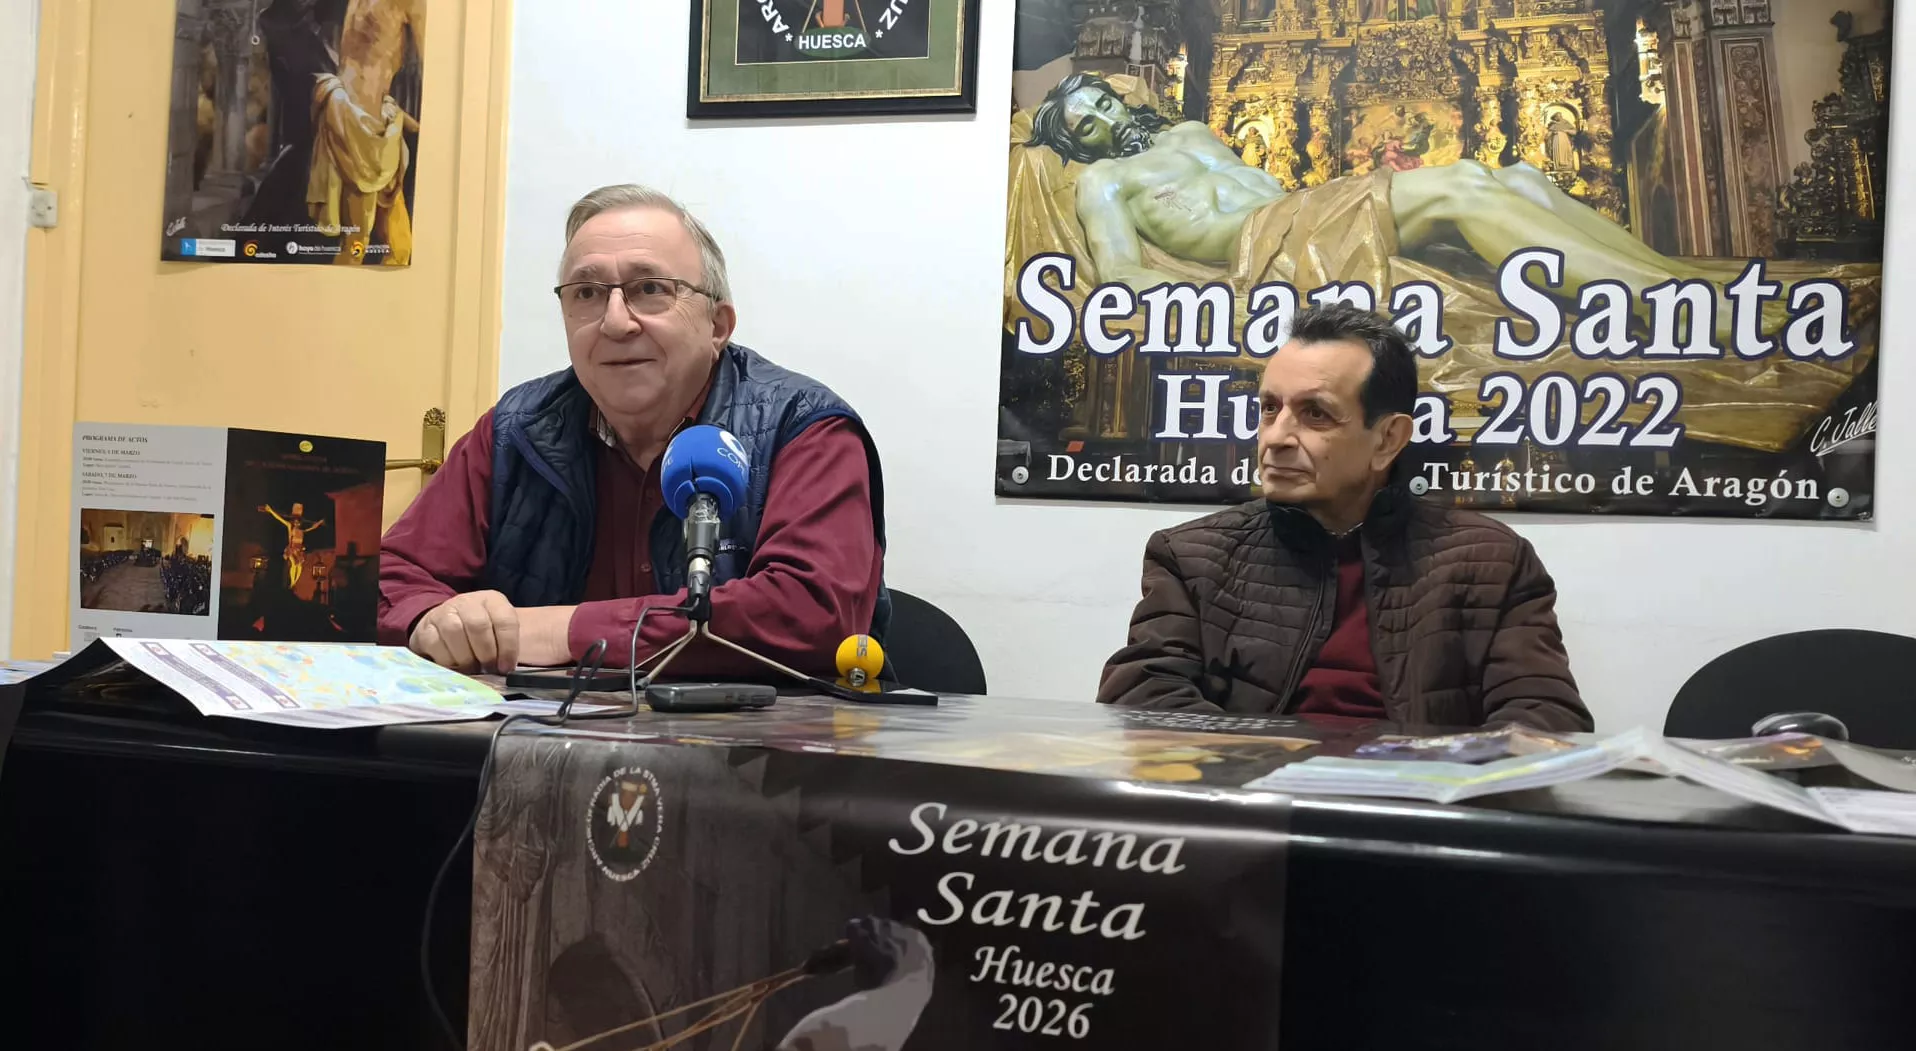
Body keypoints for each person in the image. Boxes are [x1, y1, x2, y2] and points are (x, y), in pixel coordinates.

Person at [380, 185, 887, 677]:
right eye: (587, 293)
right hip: (541, 744)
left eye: (650, 290)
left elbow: (812, 613)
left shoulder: (805, 429)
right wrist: (430, 619)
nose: (615, 322)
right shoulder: (517, 431)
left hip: (756, 750)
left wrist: (566, 630)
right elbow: (385, 577)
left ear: (718, 325)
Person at [1096, 303, 1592, 731]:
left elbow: (1546, 716)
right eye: (1270, 409)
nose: (1276, 438)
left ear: (1388, 440)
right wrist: (1269, 768)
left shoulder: (1492, 564)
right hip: (1252, 815)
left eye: (1316, 414)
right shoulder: (1192, 556)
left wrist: (1417, 781)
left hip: (1415, 821)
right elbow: (1142, 695)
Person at [1023, 72, 1782, 342]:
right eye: (1086, 123)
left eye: (1103, 102)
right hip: (1268, 247)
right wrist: (1228, 298)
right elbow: (1121, 278)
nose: (1108, 119)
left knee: (1513, 176)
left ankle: (1682, 284)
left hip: (1310, 210)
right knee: (1460, 186)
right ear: (1078, 143)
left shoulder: (1187, 130)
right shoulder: (1103, 183)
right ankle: (1679, 312)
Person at [307, 0, 423, 265]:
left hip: (366, 123)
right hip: (353, 123)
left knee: (382, 243)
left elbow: (434, 66)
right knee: (360, 242)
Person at [259, 501, 324, 588]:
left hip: (299, 550)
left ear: (300, 522)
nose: (296, 523)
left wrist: (319, 523)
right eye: (295, 521)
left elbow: (312, 527)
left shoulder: (302, 531)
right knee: (294, 564)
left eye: (298, 521)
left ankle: (295, 582)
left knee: (299, 565)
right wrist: (270, 510)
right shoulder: (290, 527)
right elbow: (280, 518)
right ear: (293, 521)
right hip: (292, 548)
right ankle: (292, 582)